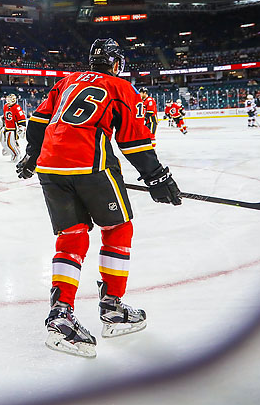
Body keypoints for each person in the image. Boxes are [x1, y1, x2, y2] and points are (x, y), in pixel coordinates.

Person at [15, 38, 181, 358]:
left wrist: (32, 156)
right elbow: (133, 139)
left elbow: (37, 121)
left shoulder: (65, 81)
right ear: (116, 64)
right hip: (91, 166)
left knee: (72, 236)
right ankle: (113, 309)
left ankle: (60, 317)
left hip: (50, 167)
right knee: (118, 229)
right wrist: (157, 177)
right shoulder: (119, 87)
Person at [0, 93, 26, 162]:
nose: (7, 100)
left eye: (9, 99)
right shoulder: (5, 106)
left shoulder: (17, 107)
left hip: (13, 129)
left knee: (11, 143)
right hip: (6, 128)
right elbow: (6, 116)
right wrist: (3, 119)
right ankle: (9, 150)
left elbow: (21, 118)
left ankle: (17, 154)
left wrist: (22, 127)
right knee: (3, 141)